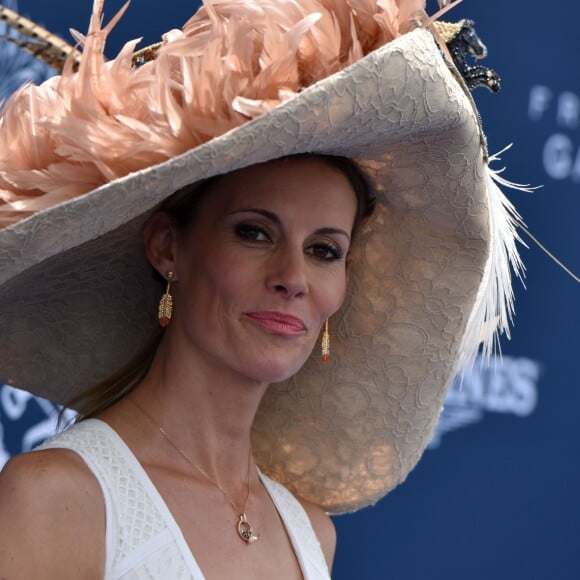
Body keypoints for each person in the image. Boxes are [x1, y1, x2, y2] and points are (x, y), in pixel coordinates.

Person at [0, 0, 523, 578]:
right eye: (254, 232)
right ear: (168, 247)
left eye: (324, 251)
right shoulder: (55, 500)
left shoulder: (311, 535)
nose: (293, 278)